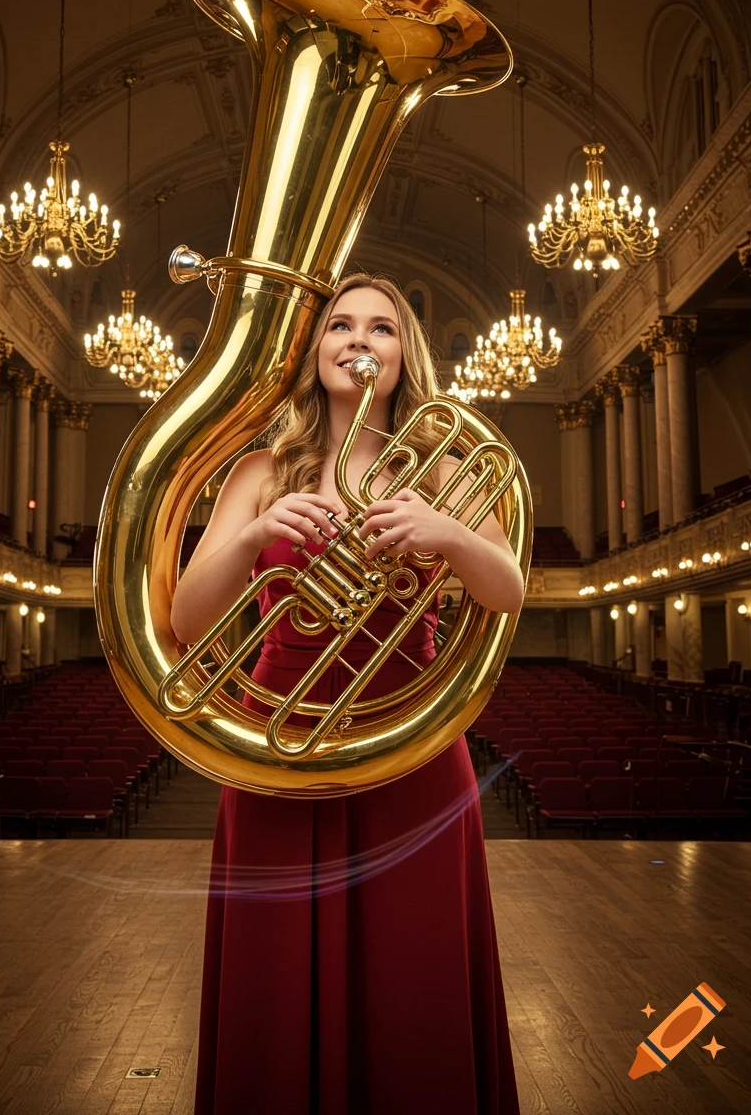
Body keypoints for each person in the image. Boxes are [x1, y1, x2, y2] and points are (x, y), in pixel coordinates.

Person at [169, 272, 524, 1115]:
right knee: (273, 969)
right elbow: (187, 616)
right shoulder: (259, 470)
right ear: (314, 349)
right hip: (276, 747)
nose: (359, 341)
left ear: (405, 358)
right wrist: (258, 531)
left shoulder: (440, 469)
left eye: (383, 329)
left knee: (415, 965)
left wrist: (443, 531)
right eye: (340, 326)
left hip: (410, 743)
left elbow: (507, 589)